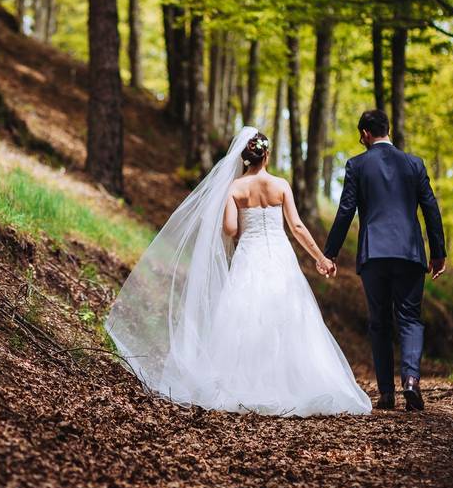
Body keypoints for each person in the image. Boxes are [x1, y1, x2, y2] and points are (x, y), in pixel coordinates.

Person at [104, 127, 371, 416]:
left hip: (250, 254)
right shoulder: (281, 185)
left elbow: (230, 229)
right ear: (266, 154)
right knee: (289, 314)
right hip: (280, 256)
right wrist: (320, 257)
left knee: (246, 315)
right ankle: (293, 383)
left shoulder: (235, 188)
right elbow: (296, 227)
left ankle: (246, 383)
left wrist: (239, 227)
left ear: (245, 157)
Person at [323, 109, 446, 412]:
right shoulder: (414, 164)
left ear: (365, 133)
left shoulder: (357, 165)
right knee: (410, 318)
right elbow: (431, 208)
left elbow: (345, 211)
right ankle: (412, 381)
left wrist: (330, 252)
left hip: (374, 253)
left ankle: (387, 394)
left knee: (379, 322)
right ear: (387, 131)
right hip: (409, 253)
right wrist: (438, 252)